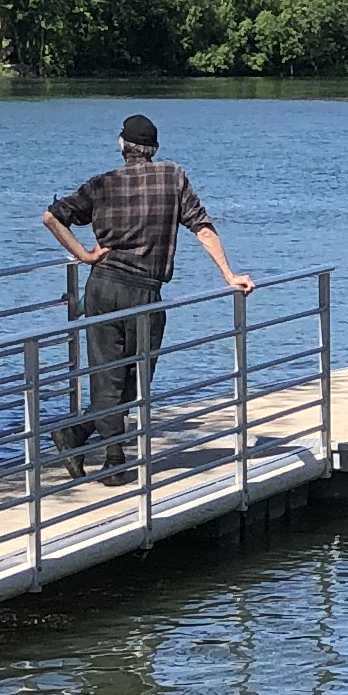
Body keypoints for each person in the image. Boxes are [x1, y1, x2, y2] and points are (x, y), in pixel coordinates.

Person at [40, 113, 253, 484]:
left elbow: (51, 218)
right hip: (144, 291)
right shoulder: (174, 177)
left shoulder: (102, 184)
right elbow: (202, 227)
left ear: (122, 146)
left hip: (103, 286)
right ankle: (113, 462)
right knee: (136, 378)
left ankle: (75, 436)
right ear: (152, 149)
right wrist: (228, 274)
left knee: (110, 376)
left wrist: (85, 256)